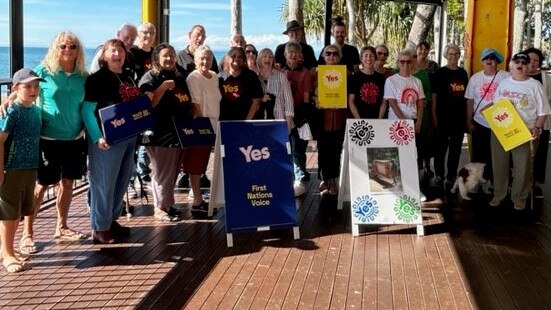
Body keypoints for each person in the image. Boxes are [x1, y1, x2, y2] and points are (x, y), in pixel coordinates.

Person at [19, 32, 89, 255]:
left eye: (73, 46)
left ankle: (62, 227)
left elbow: (86, 106)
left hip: (74, 139)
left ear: (78, 50)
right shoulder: (44, 71)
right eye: (63, 46)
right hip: (48, 139)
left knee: (67, 183)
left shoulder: (82, 76)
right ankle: (27, 234)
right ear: (55, 48)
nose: (68, 50)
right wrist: (10, 100)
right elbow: (22, 85)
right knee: (42, 186)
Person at [82, 39, 140, 244]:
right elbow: (88, 111)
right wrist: (97, 137)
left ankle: (111, 220)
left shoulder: (128, 78)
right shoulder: (96, 79)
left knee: (121, 181)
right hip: (107, 140)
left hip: (129, 136)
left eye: (120, 50)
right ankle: (99, 227)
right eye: (112, 50)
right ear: (104, 55)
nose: (117, 54)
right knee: (103, 183)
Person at [138, 43, 200, 220]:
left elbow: (187, 101)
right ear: (157, 58)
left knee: (172, 170)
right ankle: (159, 208)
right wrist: (163, 87)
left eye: (172, 55)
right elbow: (148, 105)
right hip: (159, 132)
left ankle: (167, 204)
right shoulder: (150, 78)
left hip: (179, 131)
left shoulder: (179, 77)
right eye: (165, 55)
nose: (169, 58)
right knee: (162, 171)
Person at [488, 52, 550, 210]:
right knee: (499, 165)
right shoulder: (503, 84)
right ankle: (499, 194)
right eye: (517, 61)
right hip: (501, 130)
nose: (520, 64)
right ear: (511, 65)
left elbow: (544, 111)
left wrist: (537, 127)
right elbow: (496, 106)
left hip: (525, 131)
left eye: (524, 62)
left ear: (529, 66)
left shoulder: (535, 86)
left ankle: (519, 198)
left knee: (522, 167)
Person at [0, 68, 44, 273]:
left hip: (30, 167)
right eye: (28, 86)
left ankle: (7, 249)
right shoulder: (12, 111)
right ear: (16, 88)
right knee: (9, 213)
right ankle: (8, 254)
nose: (33, 90)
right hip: (12, 167)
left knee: (18, 213)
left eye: (36, 86)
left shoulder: (35, 111)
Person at [186, 45, 222, 213]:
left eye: (208, 58)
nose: (205, 61)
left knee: (206, 164)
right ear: (195, 60)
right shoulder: (193, 78)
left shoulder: (214, 76)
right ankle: (197, 200)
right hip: (201, 126)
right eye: (201, 58)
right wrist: (203, 127)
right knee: (196, 164)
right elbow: (195, 104)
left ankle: (202, 197)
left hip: (215, 125)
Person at [465, 48, 510, 173]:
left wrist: (492, 105)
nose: (489, 60)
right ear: (482, 62)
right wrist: (469, 121)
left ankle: (493, 183)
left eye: (493, 58)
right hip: (479, 122)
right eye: (486, 58)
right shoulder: (475, 78)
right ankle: (476, 183)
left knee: (496, 156)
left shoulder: (506, 77)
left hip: (500, 123)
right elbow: (470, 100)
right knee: (478, 155)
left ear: (497, 61)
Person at [431, 43, 469, 191]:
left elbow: (466, 98)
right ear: (446, 56)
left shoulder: (463, 73)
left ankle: (451, 176)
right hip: (442, 117)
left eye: (456, 54)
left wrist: (467, 118)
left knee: (455, 149)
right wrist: (434, 115)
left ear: (459, 56)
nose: (453, 57)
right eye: (450, 54)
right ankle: (439, 175)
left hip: (458, 118)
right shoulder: (440, 73)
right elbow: (433, 96)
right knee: (440, 149)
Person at [314, 45, 349, 195]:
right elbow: (310, 94)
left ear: (339, 57)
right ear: (323, 56)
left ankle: (333, 180)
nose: (331, 56)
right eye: (328, 53)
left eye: (335, 54)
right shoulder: (315, 74)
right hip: (322, 117)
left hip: (340, 117)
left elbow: (351, 95)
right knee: (323, 149)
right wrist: (316, 99)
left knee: (335, 150)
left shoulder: (347, 74)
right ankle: (324, 178)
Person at [128, 22, 157, 199]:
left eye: (151, 32)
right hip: (134, 104)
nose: (148, 35)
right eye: (145, 32)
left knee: (148, 140)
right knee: (133, 144)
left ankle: (143, 174)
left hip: (153, 103)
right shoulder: (132, 53)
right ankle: (130, 181)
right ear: (139, 34)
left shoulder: (155, 53)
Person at [281, 42, 313, 194]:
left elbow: (306, 97)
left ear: (300, 56)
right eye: (290, 52)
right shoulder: (280, 72)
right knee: (286, 148)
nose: (293, 55)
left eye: (296, 52)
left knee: (299, 149)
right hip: (283, 115)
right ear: (285, 55)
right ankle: (289, 177)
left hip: (299, 114)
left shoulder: (305, 73)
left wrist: (301, 118)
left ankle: (299, 179)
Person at [524, 47, 551, 198]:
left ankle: (536, 184)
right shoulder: (518, 75)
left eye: (536, 60)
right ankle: (521, 182)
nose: (533, 63)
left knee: (540, 154)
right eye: (530, 60)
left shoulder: (546, 78)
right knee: (522, 154)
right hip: (522, 122)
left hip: (543, 123)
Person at [218, 47, 263, 121]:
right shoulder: (220, 77)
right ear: (227, 59)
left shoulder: (251, 76)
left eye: (240, 57)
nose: (236, 59)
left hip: (245, 122)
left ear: (244, 60)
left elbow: (256, 101)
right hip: (224, 122)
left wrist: (247, 121)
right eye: (233, 56)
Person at [348, 46, 386, 119]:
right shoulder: (354, 78)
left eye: (371, 56)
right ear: (361, 59)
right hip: (357, 119)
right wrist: (359, 120)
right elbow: (351, 102)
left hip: (377, 118)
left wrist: (379, 119)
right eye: (366, 55)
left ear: (375, 59)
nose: (368, 58)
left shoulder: (381, 78)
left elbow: (383, 101)